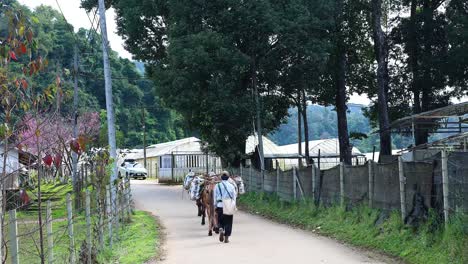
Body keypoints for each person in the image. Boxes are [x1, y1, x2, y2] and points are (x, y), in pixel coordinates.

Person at [214, 171, 237, 243]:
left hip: (220, 205)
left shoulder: (217, 186)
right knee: (228, 221)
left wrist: (215, 205)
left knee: (220, 220)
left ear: (221, 177)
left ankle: (220, 228)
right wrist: (234, 205)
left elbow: (214, 197)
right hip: (229, 205)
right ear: (228, 178)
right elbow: (234, 197)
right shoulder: (232, 186)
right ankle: (226, 238)